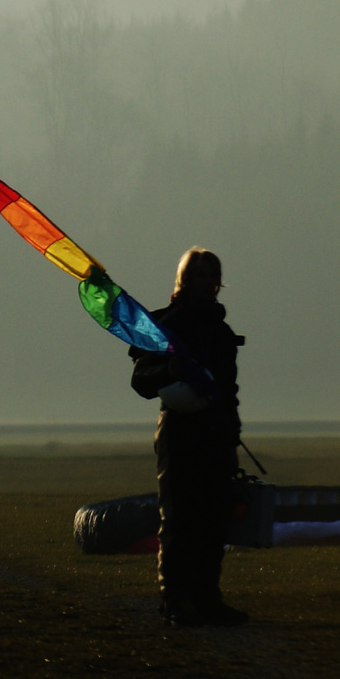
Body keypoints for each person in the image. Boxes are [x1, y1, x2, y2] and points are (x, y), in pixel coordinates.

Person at [128, 247, 247, 626]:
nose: (208, 283)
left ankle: (207, 600)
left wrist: (232, 437)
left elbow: (229, 392)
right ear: (185, 280)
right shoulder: (163, 328)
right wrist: (169, 370)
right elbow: (140, 381)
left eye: (213, 276)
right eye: (200, 276)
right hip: (179, 434)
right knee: (179, 519)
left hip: (216, 433)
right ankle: (175, 603)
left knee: (213, 521)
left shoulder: (223, 333)